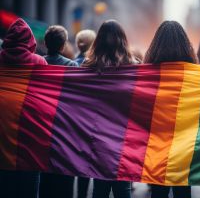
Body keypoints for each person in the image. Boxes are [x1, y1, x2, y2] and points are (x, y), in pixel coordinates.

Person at [82, 19, 136, 198]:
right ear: (123, 40)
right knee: (123, 188)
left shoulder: (88, 67)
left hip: (97, 135)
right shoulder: (135, 67)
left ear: (99, 40)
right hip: (124, 135)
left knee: (100, 187)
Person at [144, 20, 196, 198]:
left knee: (158, 192)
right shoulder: (195, 74)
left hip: (156, 146)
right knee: (183, 192)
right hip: (185, 145)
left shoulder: (146, 75)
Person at [0, 18, 47, 198]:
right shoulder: (39, 61)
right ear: (30, 40)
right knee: (29, 182)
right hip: (30, 127)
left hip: (3, 127)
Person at [39, 25, 77, 198]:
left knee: (44, 176)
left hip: (42, 124)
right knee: (64, 175)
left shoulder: (38, 63)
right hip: (65, 127)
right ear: (63, 45)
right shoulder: (72, 66)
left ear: (46, 43)